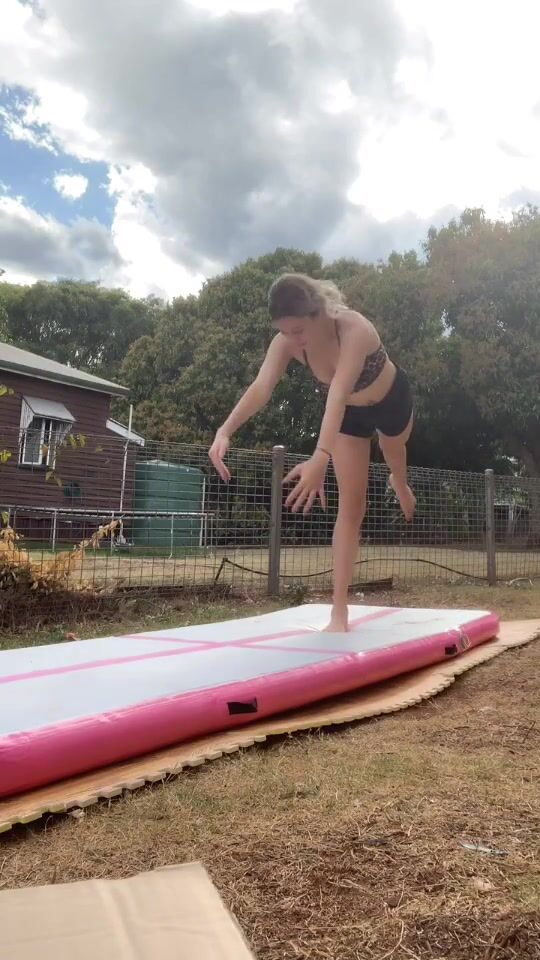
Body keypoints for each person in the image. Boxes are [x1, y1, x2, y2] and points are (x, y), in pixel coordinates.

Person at [209, 272, 415, 632]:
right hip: (347, 418)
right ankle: (339, 612)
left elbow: (337, 392)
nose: (293, 339)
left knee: (391, 446)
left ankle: (399, 482)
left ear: (319, 313)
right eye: (285, 332)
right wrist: (225, 430)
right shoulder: (286, 343)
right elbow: (261, 387)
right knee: (352, 506)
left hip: (390, 400)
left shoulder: (353, 328)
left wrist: (320, 457)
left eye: (299, 330)